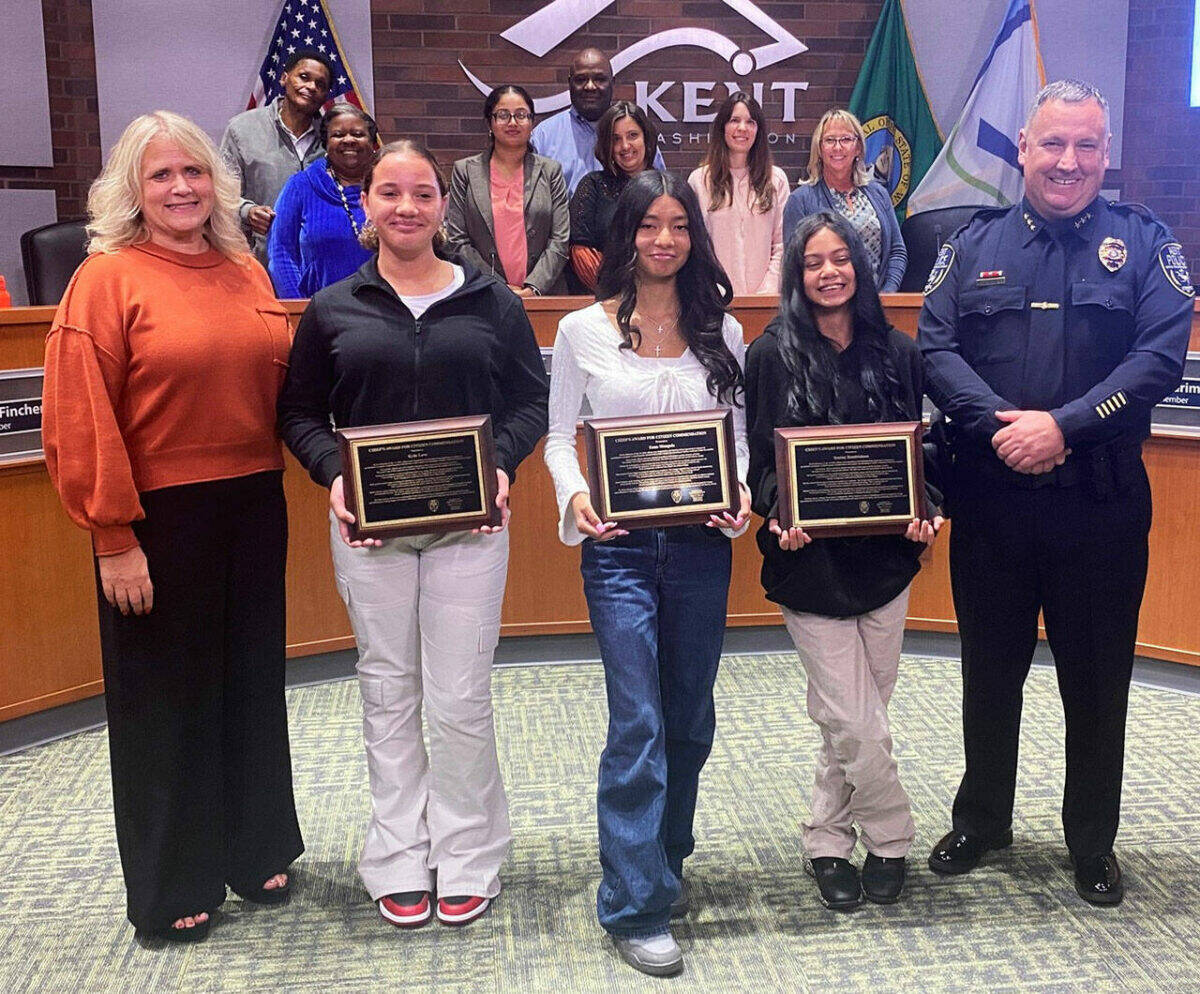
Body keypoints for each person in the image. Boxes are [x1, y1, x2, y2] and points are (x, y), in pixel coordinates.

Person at [917, 80, 1193, 906]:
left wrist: (1064, 427)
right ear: (1025, 150)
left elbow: (1158, 357)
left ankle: (1091, 841)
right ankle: (983, 818)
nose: (1068, 162)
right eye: (1052, 145)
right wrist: (1004, 423)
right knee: (989, 672)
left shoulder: (1142, 241)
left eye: (1085, 147)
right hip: (994, 500)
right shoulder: (972, 242)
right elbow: (934, 345)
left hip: (1099, 504)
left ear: (1103, 155)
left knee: (1097, 678)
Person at [42, 110, 304, 942]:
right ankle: (173, 880)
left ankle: (254, 844)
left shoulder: (243, 268)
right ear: (132, 190)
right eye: (161, 176)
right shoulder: (106, 278)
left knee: (251, 685)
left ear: (216, 183)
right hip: (159, 520)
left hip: (254, 506)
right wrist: (113, 537)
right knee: (165, 705)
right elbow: (81, 415)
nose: (182, 188)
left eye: (192, 172)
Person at [278, 140, 549, 929]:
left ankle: (467, 852)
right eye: (389, 192)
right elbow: (296, 412)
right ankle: (398, 851)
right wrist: (335, 476)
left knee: (461, 698)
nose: (406, 206)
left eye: (422, 193)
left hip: (471, 530)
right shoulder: (334, 307)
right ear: (366, 204)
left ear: (443, 205)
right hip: (370, 533)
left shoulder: (492, 300)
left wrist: (500, 464)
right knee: (388, 691)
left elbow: (529, 401)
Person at [544, 170, 751, 976]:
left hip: (702, 547)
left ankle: (662, 860)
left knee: (689, 722)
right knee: (639, 723)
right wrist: (577, 497)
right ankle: (634, 903)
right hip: (621, 549)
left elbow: (731, 438)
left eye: (678, 226)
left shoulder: (721, 330)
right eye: (648, 226)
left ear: (693, 238)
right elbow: (563, 438)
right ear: (625, 235)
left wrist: (735, 493)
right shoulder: (581, 331)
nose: (664, 240)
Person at [746, 212, 942, 911]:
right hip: (810, 569)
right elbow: (761, 462)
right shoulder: (769, 353)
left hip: (886, 565)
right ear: (796, 277)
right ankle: (891, 837)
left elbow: (920, 452)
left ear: (859, 266)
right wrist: (779, 513)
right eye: (812, 263)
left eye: (840, 259)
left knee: (849, 719)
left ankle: (826, 838)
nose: (829, 272)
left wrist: (929, 503)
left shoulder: (901, 351)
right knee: (860, 723)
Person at [445, 84, 570, 295]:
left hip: (544, 296)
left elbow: (560, 239)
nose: (513, 122)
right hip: (483, 294)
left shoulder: (550, 171)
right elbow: (457, 240)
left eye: (521, 115)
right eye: (503, 115)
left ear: (532, 122)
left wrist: (534, 287)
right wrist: (498, 287)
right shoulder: (464, 171)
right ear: (490, 122)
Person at [220, 48, 334, 264]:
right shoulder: (242, 129)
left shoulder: (333, 138)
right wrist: (248, 211)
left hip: (321, 267)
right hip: (260, 263)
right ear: (284, 78)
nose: (311, 87)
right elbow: (220, 194)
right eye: (304, 77)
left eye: (320, 84)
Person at [783, 109, 907, 293]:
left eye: (846, 140)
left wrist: (887, 295)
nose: (838, 147)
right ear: (819, 149)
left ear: (858, 148)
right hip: (825, 309)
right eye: (830, 140)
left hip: (877, 307)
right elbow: (794, 264)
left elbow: (897, 252)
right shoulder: (800, 201)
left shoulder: (879, 194)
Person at [268, 103, 377, 298]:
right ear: (325, 143)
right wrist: (301, 308)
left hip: (386, 311)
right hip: (320, 312)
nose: (349, 140)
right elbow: (281, 253)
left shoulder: (389, 186)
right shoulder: (301, 185)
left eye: (358, 134)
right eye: (338, 135)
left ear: (372, 142)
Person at [687, 91, 789, 295]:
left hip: (765, 301)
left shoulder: (776, 179)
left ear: (758, 130)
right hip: (713, 299)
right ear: (722, 127)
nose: (742, 128)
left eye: (750, 122)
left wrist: (766, 292)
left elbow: (781, 245)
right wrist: (715, 291)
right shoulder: (699, 181)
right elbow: (696, 247)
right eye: (734, 120)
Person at [531, 46, 665, 196]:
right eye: (581, 79)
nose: (590, 86)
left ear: (612, 82)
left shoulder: (638, 138)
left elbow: (660, 193)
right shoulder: (544, 136)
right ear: (569, 83)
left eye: (599, 79)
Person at [568, 101, 660, 292]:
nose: (625, 146)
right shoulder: (593, 185)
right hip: (605, 299)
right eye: (616, 139)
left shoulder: (666, 187)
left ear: (647, 139)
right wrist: (619, 293)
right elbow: (580, 252)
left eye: (632, 135)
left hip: (660, 296)